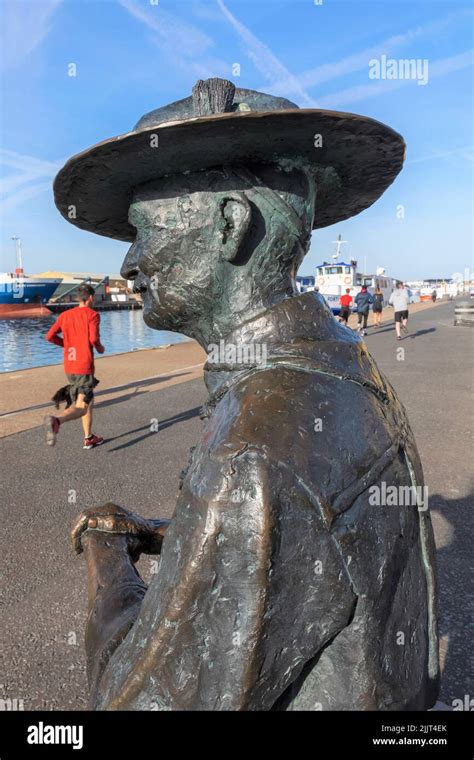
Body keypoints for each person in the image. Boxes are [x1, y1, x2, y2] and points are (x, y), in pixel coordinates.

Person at [54, 78, 438, 711]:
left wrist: (106, 551)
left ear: (232, 225)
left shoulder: (252, 453)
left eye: (143, 231)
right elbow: (294, 531)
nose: (129, 263)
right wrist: (167, 532)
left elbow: (130, 702)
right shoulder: (341, 362)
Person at [44, 283, 105, 448]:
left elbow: (49, 336)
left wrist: (66, 344)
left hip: (70, 366)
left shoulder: (64, 315)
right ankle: (56, 420)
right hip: (83, 367)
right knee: (81, 407)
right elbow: (93, 339)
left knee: (87, 401)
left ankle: (88, 437)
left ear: (79, 298)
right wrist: (100, 348)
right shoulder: (92, 315)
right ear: (91, 298)